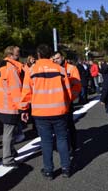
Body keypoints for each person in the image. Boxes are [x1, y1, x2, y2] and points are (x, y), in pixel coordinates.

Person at [20, 44, 72, 179]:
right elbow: (68, 92)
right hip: (59, 110)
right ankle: (66, 168)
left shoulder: (31, 71)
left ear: (38, 55)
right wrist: (66, 105)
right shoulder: (60, 69)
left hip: (40, 112)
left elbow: (26, 92)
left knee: (46, 141)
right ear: (50, 55)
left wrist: (23, 109)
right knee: (62, 138)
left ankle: (49, 170)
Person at [0, 46, 24, 168]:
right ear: (11, 55)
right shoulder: (11, 68)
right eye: (17, 55)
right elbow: (16, 90)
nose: (19, 56)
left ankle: (11, 152)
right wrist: (22, 107)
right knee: (9, 133)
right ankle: (7, 159)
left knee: (8, 131)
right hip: (10, 106)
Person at [52, 51, 82, 153]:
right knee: (58, 127)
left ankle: (74, 146)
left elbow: (77, 86)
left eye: (57, 58)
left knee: (69, 125)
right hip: (54, 103)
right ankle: (62, 147)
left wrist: (69, 98)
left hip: (67, 102)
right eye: (54, 59)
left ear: (63, 57)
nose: (56, 60)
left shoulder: (71, 68)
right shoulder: (51, 69)